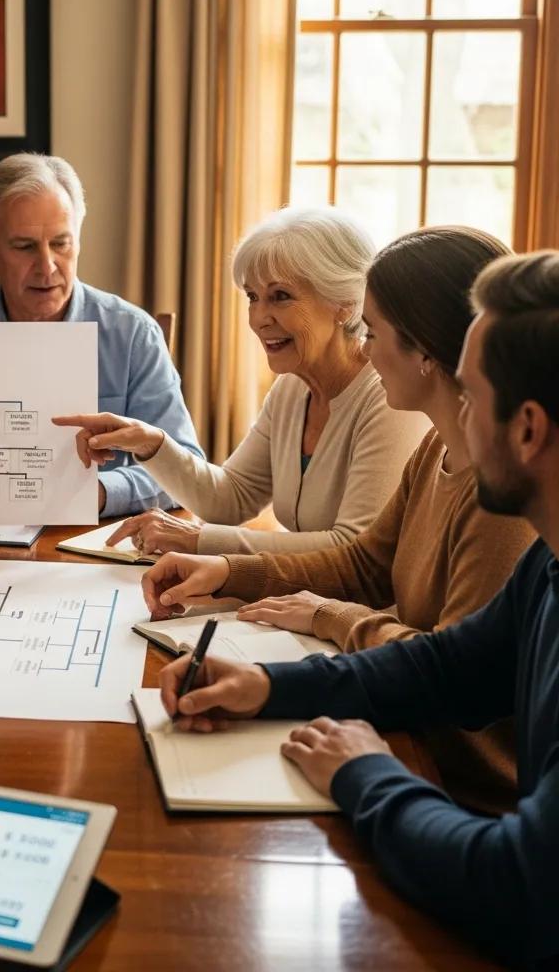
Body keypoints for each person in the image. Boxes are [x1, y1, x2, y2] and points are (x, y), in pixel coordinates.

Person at [146, 250, 559, 966]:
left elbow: (515, 886)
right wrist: (267, 687)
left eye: (471, 391)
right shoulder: (547, 563)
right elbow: (450, 666)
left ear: (526, 428)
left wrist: (364, 770)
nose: (458, 411)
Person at [54, 206, 429, 555]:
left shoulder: (390, 396)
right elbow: (230, 499)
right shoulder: (292, 388)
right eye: (253, 297)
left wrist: (196, 539)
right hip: (304, 594)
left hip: (361, 604)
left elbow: (352, 550)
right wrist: (150, 443)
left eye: (280, 296)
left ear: (344, 302)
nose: (259, 318)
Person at [0, 152, 204, 518]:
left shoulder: (132, 335)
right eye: (25, 247)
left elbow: (184, 470)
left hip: (88, 538)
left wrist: (96, 493)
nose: (47, 266)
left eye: (60, 243)